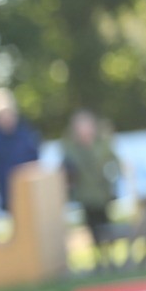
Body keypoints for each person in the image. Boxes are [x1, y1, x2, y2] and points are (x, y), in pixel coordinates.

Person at [62, 109, 122, 271]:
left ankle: (110, 256)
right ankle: (99, 258)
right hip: (85, 193)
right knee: (92, 226)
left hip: (103, 192)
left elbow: (114, 162)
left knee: (106, 223)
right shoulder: (71, 148)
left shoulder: (102, 143)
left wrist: (112, 179)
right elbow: (67, 170)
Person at [0, 88, 40, 213]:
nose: (7, 119)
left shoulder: (24, 133)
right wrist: (5, 176)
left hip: (30, 190)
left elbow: (35, 155)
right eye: (2, 116)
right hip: (8, 194)